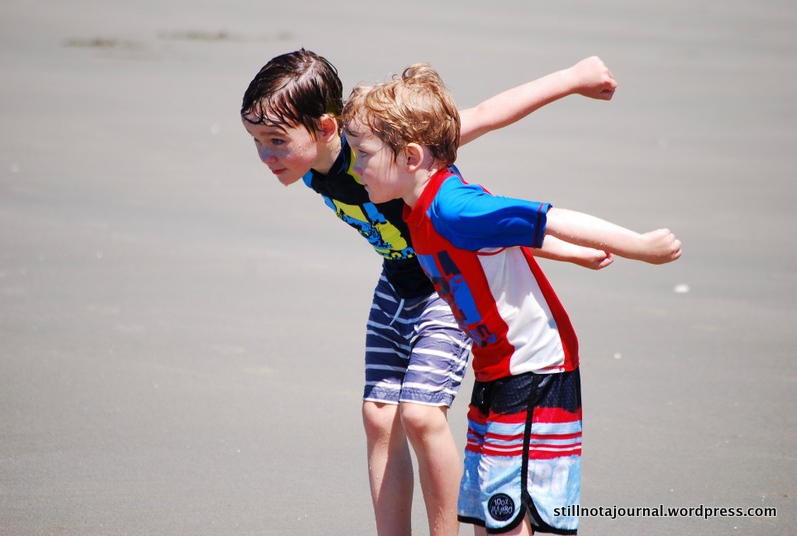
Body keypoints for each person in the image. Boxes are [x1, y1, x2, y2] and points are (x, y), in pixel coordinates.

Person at [240, 49, 618, 536]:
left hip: (444, 291)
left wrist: (573, 78)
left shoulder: (386, 149)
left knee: (421, 416)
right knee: (378, 419)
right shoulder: (309, 163)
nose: (266, 157)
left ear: (326, 128)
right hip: (394, 288)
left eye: (276, 141)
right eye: (256, 142)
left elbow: (483, 132)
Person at [341, 63, 681, 535]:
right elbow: (508, 233)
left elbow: (546, 216)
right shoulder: (417, 206)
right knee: (490, 512)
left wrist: (640, 247)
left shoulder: (452, 206)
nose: (354, 168)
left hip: (534, 368)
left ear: (412, 156)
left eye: (362, 154)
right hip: (496, 368)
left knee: (513, 514)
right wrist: (573, 256)